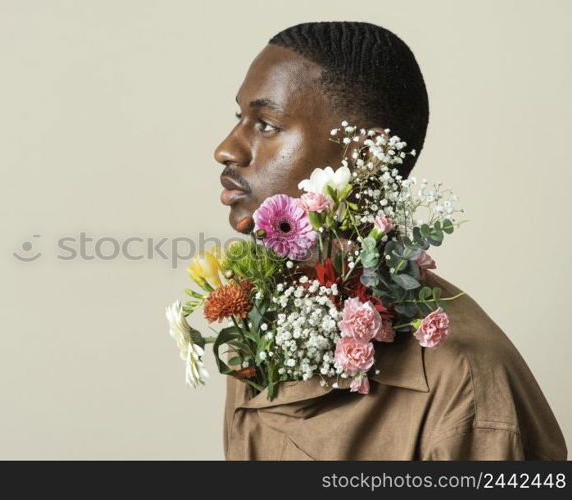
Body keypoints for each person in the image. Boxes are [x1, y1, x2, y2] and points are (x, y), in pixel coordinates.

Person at [213, 21, 566, 460]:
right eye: (239, 118)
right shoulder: (258, 319)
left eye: (266, 124)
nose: (227, 149)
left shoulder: (464, 383)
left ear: (365, 157)